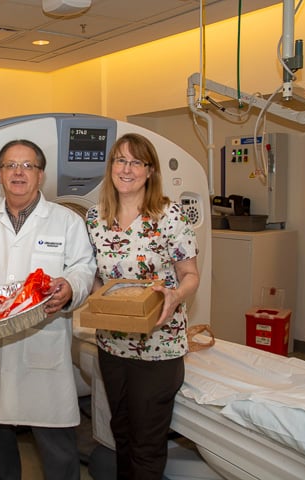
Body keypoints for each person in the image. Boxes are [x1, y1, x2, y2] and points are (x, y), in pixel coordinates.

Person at [0, 139, 96, 480]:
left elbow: (84, 268)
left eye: (28, 165)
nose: (19, 172)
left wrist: (70, 287)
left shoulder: (66, 222)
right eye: (10, 165)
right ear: (0, 174)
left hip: (43, 345)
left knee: (57, 447)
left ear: (40, 174)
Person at [86, 133, 200, 479]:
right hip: (112, 344)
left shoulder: (169, 216)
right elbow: (96, 278)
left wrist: (176, 295)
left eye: (136, 162)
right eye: (120, 160)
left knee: (146, 442)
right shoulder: (95, 218)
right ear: (111, 167)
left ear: (150, 171)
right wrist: (95, 299)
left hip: (158, 346)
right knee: (121, 432)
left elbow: (190, 275)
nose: (127, 169)